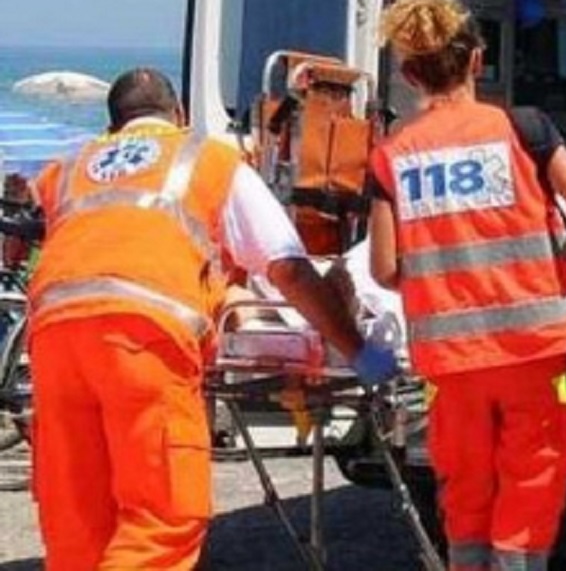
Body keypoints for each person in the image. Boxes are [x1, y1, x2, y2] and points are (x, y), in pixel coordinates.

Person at [26, 68, 397, 571]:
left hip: (53, 340)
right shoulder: (206, 160)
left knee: (77, 523)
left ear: (113, 127)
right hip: (144, 341)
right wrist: (361, 353)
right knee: (161, 521)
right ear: (178, 116)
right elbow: (288, 269)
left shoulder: (69, 168)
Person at [368, 0, 566, 571]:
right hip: (536, 353)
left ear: (411, 75)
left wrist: (444, 282)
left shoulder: (392, 155)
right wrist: (559, 265)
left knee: (465, 495)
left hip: (449, 364)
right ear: (477, 59)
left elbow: (384, 267)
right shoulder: (524, 128)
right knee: (532, 484)